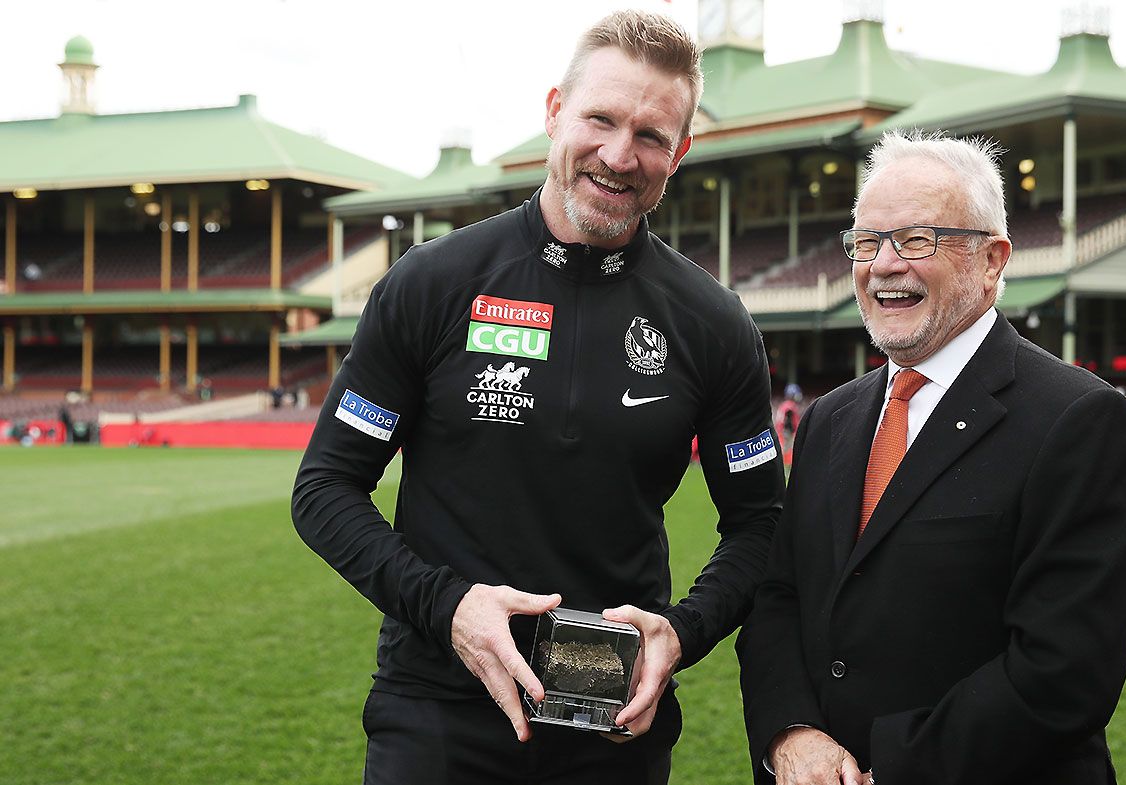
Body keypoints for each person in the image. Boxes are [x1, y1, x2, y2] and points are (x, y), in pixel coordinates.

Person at [291, 11, 783, 785]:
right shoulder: (433, 282)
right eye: (600, 119)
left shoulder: (713, 324)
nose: (620, 156)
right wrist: (447, 606)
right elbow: (324, 487)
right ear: (555, 111)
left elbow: (762, 523)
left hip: (615, 728)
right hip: (437, 713)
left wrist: (681, 634)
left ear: (680, 152)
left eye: (652, 135)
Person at [737, 130, 1126, 785]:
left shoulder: (1078, 419)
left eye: (916, 239)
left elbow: (1063, 670)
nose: (882, 264)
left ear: (991, 260)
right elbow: (779, 598)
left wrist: (891, 770)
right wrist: (792, 732)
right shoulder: (828, 419)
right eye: (866, 242)